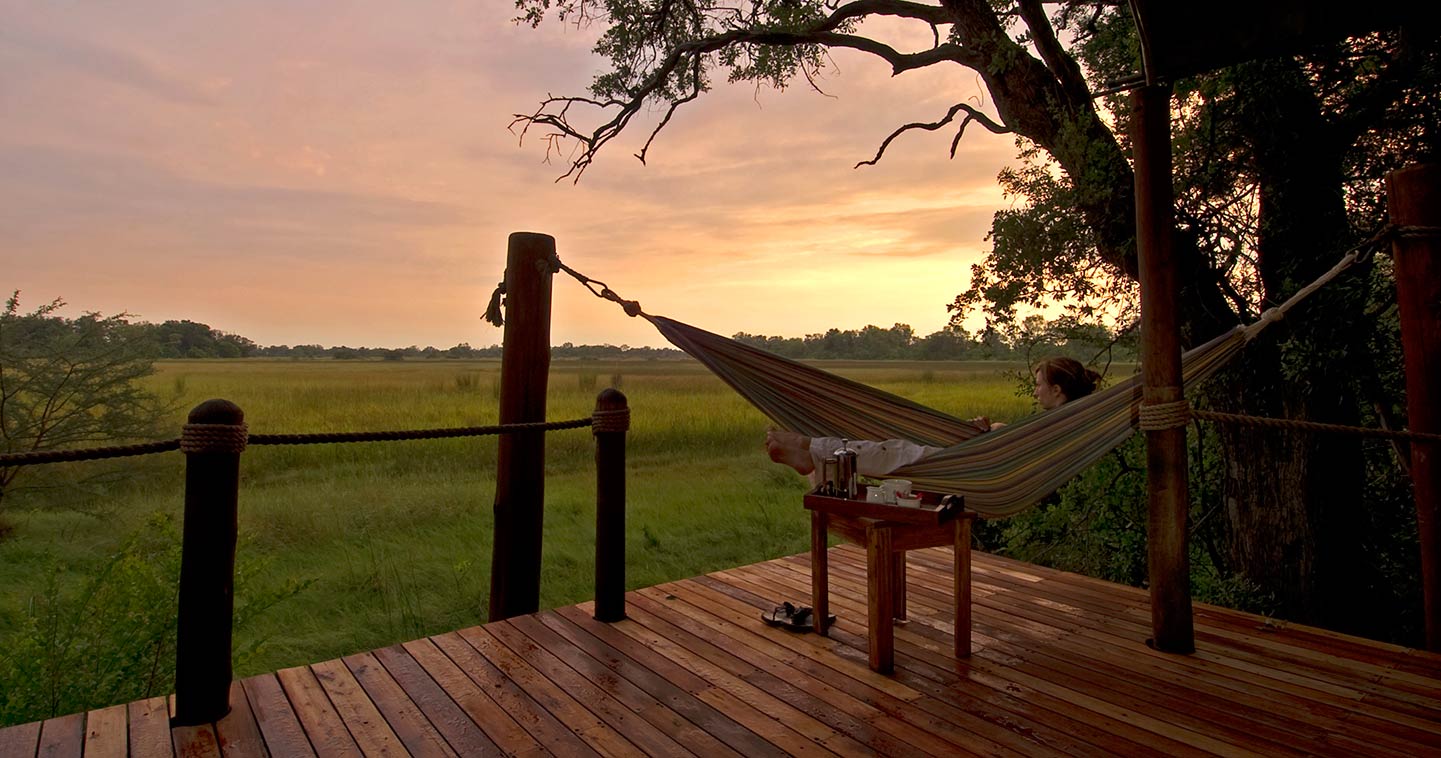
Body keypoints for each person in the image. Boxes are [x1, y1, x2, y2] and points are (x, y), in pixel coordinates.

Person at [765, 356, 1102, 480]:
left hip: (980, 468)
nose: (1035, 392)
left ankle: (811, 449)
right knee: (896, 448)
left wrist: (994, 433)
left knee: (897, 452)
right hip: (981, 455)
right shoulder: (1061, 422)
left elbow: (1019, 453)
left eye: (1039, 385)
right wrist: (991, 429)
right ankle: (815, 456)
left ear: (1057, 391)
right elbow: (1016, 442)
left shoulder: (1063, 424)